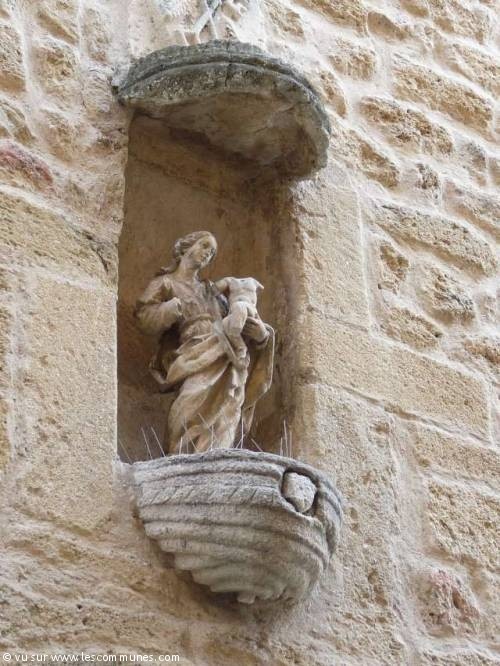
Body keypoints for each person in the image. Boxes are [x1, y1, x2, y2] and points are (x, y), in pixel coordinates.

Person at [134, 231, 274, 454]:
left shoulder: (213, 291)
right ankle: (181, 456)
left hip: (225, 352)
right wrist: (171, 308)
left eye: (212, 252)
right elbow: (144, 317)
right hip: (192, 353)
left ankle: (216, 457)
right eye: (204, 245)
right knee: (188, 404)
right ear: (185, 248)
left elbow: (238, 323)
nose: (208, 253)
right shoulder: (165, 283)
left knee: (226, 406)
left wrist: (261, 336)